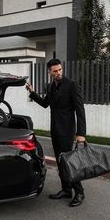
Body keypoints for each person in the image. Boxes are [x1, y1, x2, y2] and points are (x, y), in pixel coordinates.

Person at [26, 58, 86, 207]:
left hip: (67, 131)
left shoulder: (71, 85)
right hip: (55, 130)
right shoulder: (51, 87)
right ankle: (66, 190)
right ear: (49, 73)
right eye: (55, 71)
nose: (59, 73)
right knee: (60, 162)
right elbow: (46, 104)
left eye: (60, 70)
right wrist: (33, 93)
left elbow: (80, 111)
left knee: (68, 162)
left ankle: (79, 192)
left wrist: (81, 134)